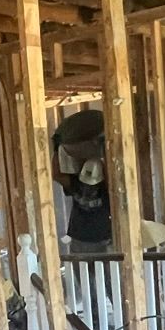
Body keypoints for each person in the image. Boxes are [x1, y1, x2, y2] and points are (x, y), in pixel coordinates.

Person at [51, 108, 113, 257]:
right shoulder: (80, 183)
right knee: (95, 278)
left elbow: (57, 174)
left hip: (96, 239)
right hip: (86, 239)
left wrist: (56, 148)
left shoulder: (104, 187)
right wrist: (57, 147)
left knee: (103, 278)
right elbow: (57, 174)